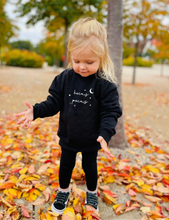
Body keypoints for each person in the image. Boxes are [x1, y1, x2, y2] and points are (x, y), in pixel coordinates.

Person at [15, 17, 122, 214]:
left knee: (90, 168)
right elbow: (53, 102)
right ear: (70, 55)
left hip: (92, 139)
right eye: (77, 61)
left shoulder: (104, 85)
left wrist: (105, 134)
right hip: (68, 137)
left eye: (89, 62)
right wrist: (36, 111)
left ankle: (91, 192)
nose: (82, 66)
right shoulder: (64, 79)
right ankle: (63, 191)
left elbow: (110, 112)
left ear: (102, 57)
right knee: (65, 166)